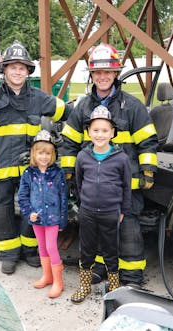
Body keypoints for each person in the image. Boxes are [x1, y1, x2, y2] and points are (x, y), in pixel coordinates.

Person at [0, 40, 72, 275]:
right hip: (1, 168)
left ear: (28, 71)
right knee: (2, 211)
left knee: (33, 208)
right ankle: (8, 255)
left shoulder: (39, 98)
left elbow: (68, 112)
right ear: (4, 70)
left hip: (31, 168)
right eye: (12, 67)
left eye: (22, 67)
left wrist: (92, 121)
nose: (17, 72)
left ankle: (30, 251)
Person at [61, 42, 158, 287]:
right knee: (94, 231)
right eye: (97, 72)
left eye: (107, 72)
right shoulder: (82, 106)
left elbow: (147, 140)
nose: (102, 77)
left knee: (128, 231)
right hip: (93, 187)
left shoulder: (131, 106)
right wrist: (69, 172)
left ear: (116, 74)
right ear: (92, 75)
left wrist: (148, 170)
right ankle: (99, 269)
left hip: (125, 185)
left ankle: (132, 277)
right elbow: (69, 141)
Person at [71, 106, 132, 304]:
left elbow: (126, 187)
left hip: (111, 213)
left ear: (112, 133)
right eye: (95, 130)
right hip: (88, 212)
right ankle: (84, 286)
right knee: (86, 250)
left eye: (105, 130)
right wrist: (84, 204)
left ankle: (114, 287)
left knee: (111, 250)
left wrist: (123, 210)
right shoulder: (82, 157)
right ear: (88, 132)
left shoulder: (121, 159)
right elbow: (79, 183)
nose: (100, 134)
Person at [18, 130, 68, 298]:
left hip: (53, 217)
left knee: (51, 247)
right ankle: (47, 276)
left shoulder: (57, 172)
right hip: (37, 218)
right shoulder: (28, 173)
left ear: (52, 154)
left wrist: (62, 220)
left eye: (47, 153)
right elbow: (23, 196)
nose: (44, 157)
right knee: (41, 247)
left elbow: (63, 197)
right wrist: (29, 212)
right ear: (34, 153)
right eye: (40, 153)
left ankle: (58, 281)